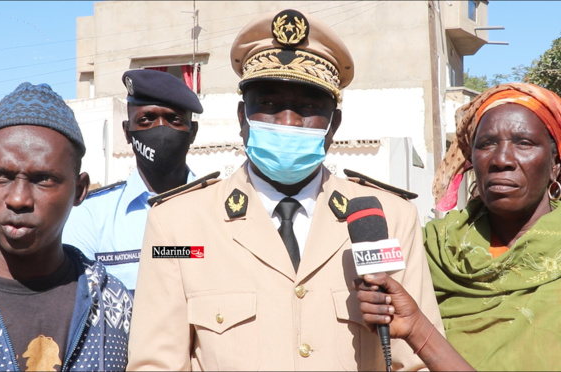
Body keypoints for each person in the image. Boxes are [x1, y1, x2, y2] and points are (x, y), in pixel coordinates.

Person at [127, 9, 443, 371]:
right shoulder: (178, 225)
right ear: (242, 118)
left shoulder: (388, 218)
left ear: (334, 124)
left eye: (308, 107)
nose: (289, 123)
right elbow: (156, 363)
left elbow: (415, 362)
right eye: (269, 106)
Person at [360, 82, 561, 371]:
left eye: (524, 143)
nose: (501, 159)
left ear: (555, 164)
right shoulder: (429, 248)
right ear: (471, 160)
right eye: (487, 143)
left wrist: (418, 329)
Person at [0, 82, 132, 371]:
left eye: (43, 179)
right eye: (0, 176)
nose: (18, 199)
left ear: (79, 191)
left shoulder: (114, 304)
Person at [62, 69, 203, 292]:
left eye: (173, 119)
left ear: (193, 132)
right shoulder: (91, 216)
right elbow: (75, 300)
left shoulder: (218, 209)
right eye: (146, 120)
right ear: (127, 132)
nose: (161, 130)